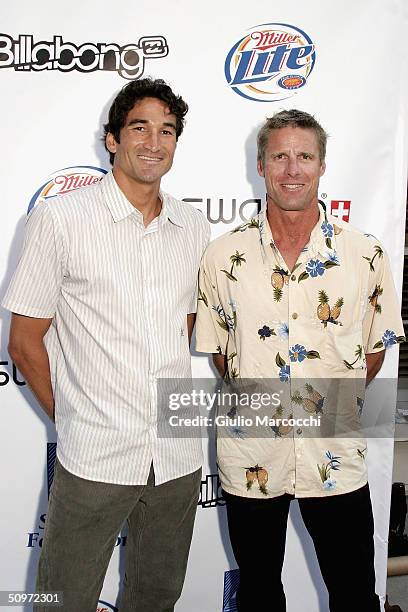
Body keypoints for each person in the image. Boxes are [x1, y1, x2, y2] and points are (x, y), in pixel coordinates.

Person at [2, 77, 210, 611]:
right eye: (139, 127)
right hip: (95, 455)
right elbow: (25, 342)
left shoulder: (192, 226)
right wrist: (73, 414)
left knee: (156, 595)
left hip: (176, 455)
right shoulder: (59, 219)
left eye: (167, 131)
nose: (153, 142)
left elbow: (183, 326)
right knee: (62, 599)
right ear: (112, 139)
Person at [195, 109, 405, 611]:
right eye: (280, 157)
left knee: (354, 592)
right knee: (260, 591)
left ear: (322, 166)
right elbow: (224, 354)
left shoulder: (366, 255)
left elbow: (373, 353)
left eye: (304, 156)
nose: (293, 169)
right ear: (261, 167)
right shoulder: (222, 257)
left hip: (334, 457)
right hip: (252, 458)